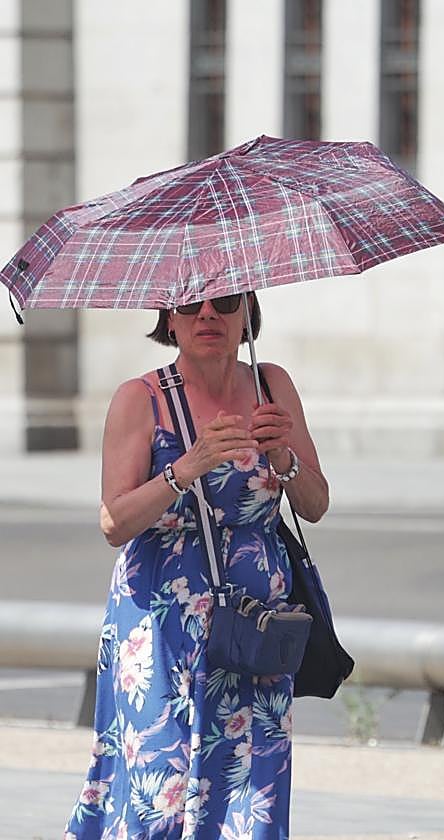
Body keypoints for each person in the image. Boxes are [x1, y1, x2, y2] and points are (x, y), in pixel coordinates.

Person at [66, 292, 329, 839]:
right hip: (163, 635)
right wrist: (186, 468)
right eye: (189, 305)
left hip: (254, 630)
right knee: (158, 796)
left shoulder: (272, 386)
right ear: (169, 317)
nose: (207, 315)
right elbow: (114, 522)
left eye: (225, 301)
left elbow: (315, 503)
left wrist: (284, 458)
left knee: (249, 799)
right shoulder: (141, 398)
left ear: (247, 310)